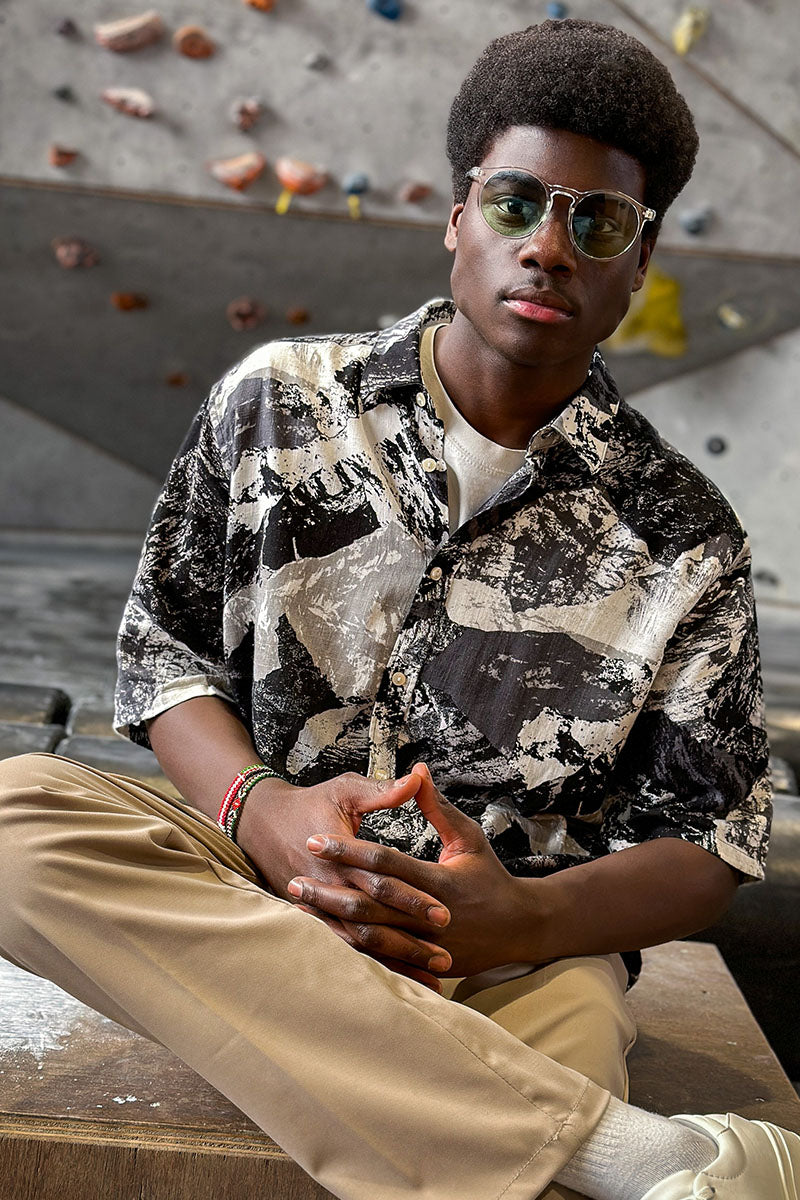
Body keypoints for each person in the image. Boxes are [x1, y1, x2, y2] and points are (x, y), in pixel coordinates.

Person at [0, 17, 796, 1200]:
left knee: (549, 1062)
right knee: (14, 818)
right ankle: (627, 1158)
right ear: (457, 217)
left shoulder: (684, 535)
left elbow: (708, 840)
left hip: (517, 953)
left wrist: (518, 924)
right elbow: (164, 655)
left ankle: (491, 1110)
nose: (548, 247)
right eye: (516, 204)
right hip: (251, 892)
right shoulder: (275, 403)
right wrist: (261, 810)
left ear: (639, 262)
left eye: (597, 224)